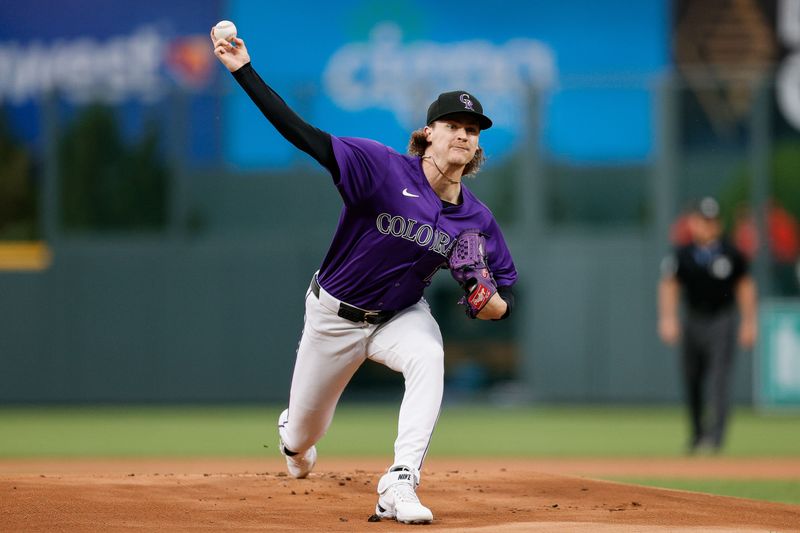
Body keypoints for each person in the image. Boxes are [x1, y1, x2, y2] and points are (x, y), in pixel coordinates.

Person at [211, 30, 517, 524]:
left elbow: (501, 301)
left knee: (429, 356)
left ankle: (399, 483)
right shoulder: (380, 167)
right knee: (301, 438)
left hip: (400, 315)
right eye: (453, 124)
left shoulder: (477, 220)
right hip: (333, 315)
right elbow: (300, 132)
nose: (464, 134)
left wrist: (483, 294)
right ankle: (293, 438)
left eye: (474, 129)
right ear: (429, 132)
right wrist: (243, 70)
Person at [658, 197, 757, 454]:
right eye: (703, 220)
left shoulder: (731, 252)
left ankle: (716, 438)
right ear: (693, 222)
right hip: (692, 319)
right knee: (692, 378)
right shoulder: (683, 253)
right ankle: (697, 434)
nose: (707, 226)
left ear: (719, 224)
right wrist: (668, 318)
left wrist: (748, 321)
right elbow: (669, 284)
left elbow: (745, 286)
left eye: (712, 221)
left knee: (719, 379)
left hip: (721, 319)